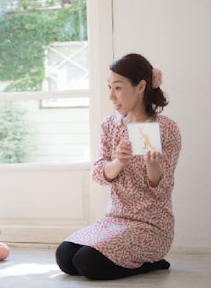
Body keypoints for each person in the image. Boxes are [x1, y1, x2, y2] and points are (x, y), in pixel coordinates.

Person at [56, 53, 181, 280]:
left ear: (141, 86)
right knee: (65, 257)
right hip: (114, 220)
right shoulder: (110, 124)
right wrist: (118, 162)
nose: (112, 96)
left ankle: (153, 263)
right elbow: (98, 174)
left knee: (87, 263)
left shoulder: (166, 128)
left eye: (118, 88)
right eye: (109, 87)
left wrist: (153, 165)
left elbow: (163, 189)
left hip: (150, 226)